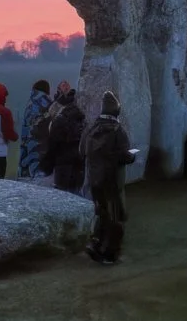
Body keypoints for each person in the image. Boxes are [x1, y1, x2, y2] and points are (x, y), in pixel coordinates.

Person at [82, 91, 135, 263]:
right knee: (116, 216)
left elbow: (82, 151)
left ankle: (95, 243)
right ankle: (111, 253)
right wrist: (131, 156)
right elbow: (126, 156)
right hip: (112, 180)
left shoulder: (91, 127)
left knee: (101, 212)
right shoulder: (118, 130)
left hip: (94, 179)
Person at [45, 83, 88, 193]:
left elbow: (52, 145)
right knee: (76, 194)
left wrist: (48, 165)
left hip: (62, 165)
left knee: (61, 196)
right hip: (78, 165)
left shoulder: (58, 122)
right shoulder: (83, 121)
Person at [17, 80, 52, 177]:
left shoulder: (29, 105)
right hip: (41, 145)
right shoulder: (49, 105)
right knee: (38, 175)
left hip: (26, 144)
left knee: (25, 174)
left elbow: (24, 128)